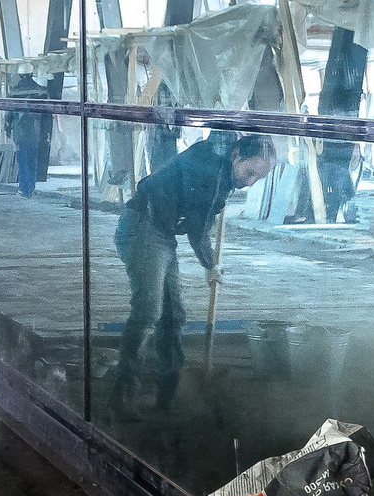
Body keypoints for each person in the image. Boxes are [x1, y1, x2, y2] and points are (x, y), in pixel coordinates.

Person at [113, 132, 273, 413]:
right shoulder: (211, 168)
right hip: (142, 227)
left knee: (173, 315)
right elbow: (198, 227)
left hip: (162, 232)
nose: (250, 182)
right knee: (149, 310)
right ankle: (122, 396)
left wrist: (209, 258)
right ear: (237, 155)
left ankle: (168, 393)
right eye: (250, 172)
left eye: (257, 178)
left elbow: (204, 218)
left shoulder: (222, 165)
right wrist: (210, 265)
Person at [8, 74, 52, 197]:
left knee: (23, 161)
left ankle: (24, 188)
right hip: (35, 132)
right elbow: (47, 114)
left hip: (20, 132)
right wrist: (47, 131)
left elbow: (9, 113)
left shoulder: (15, 91)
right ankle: (31, 188)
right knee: (33, 161)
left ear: (21, 75)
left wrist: (7, 129)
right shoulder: (41, 90)